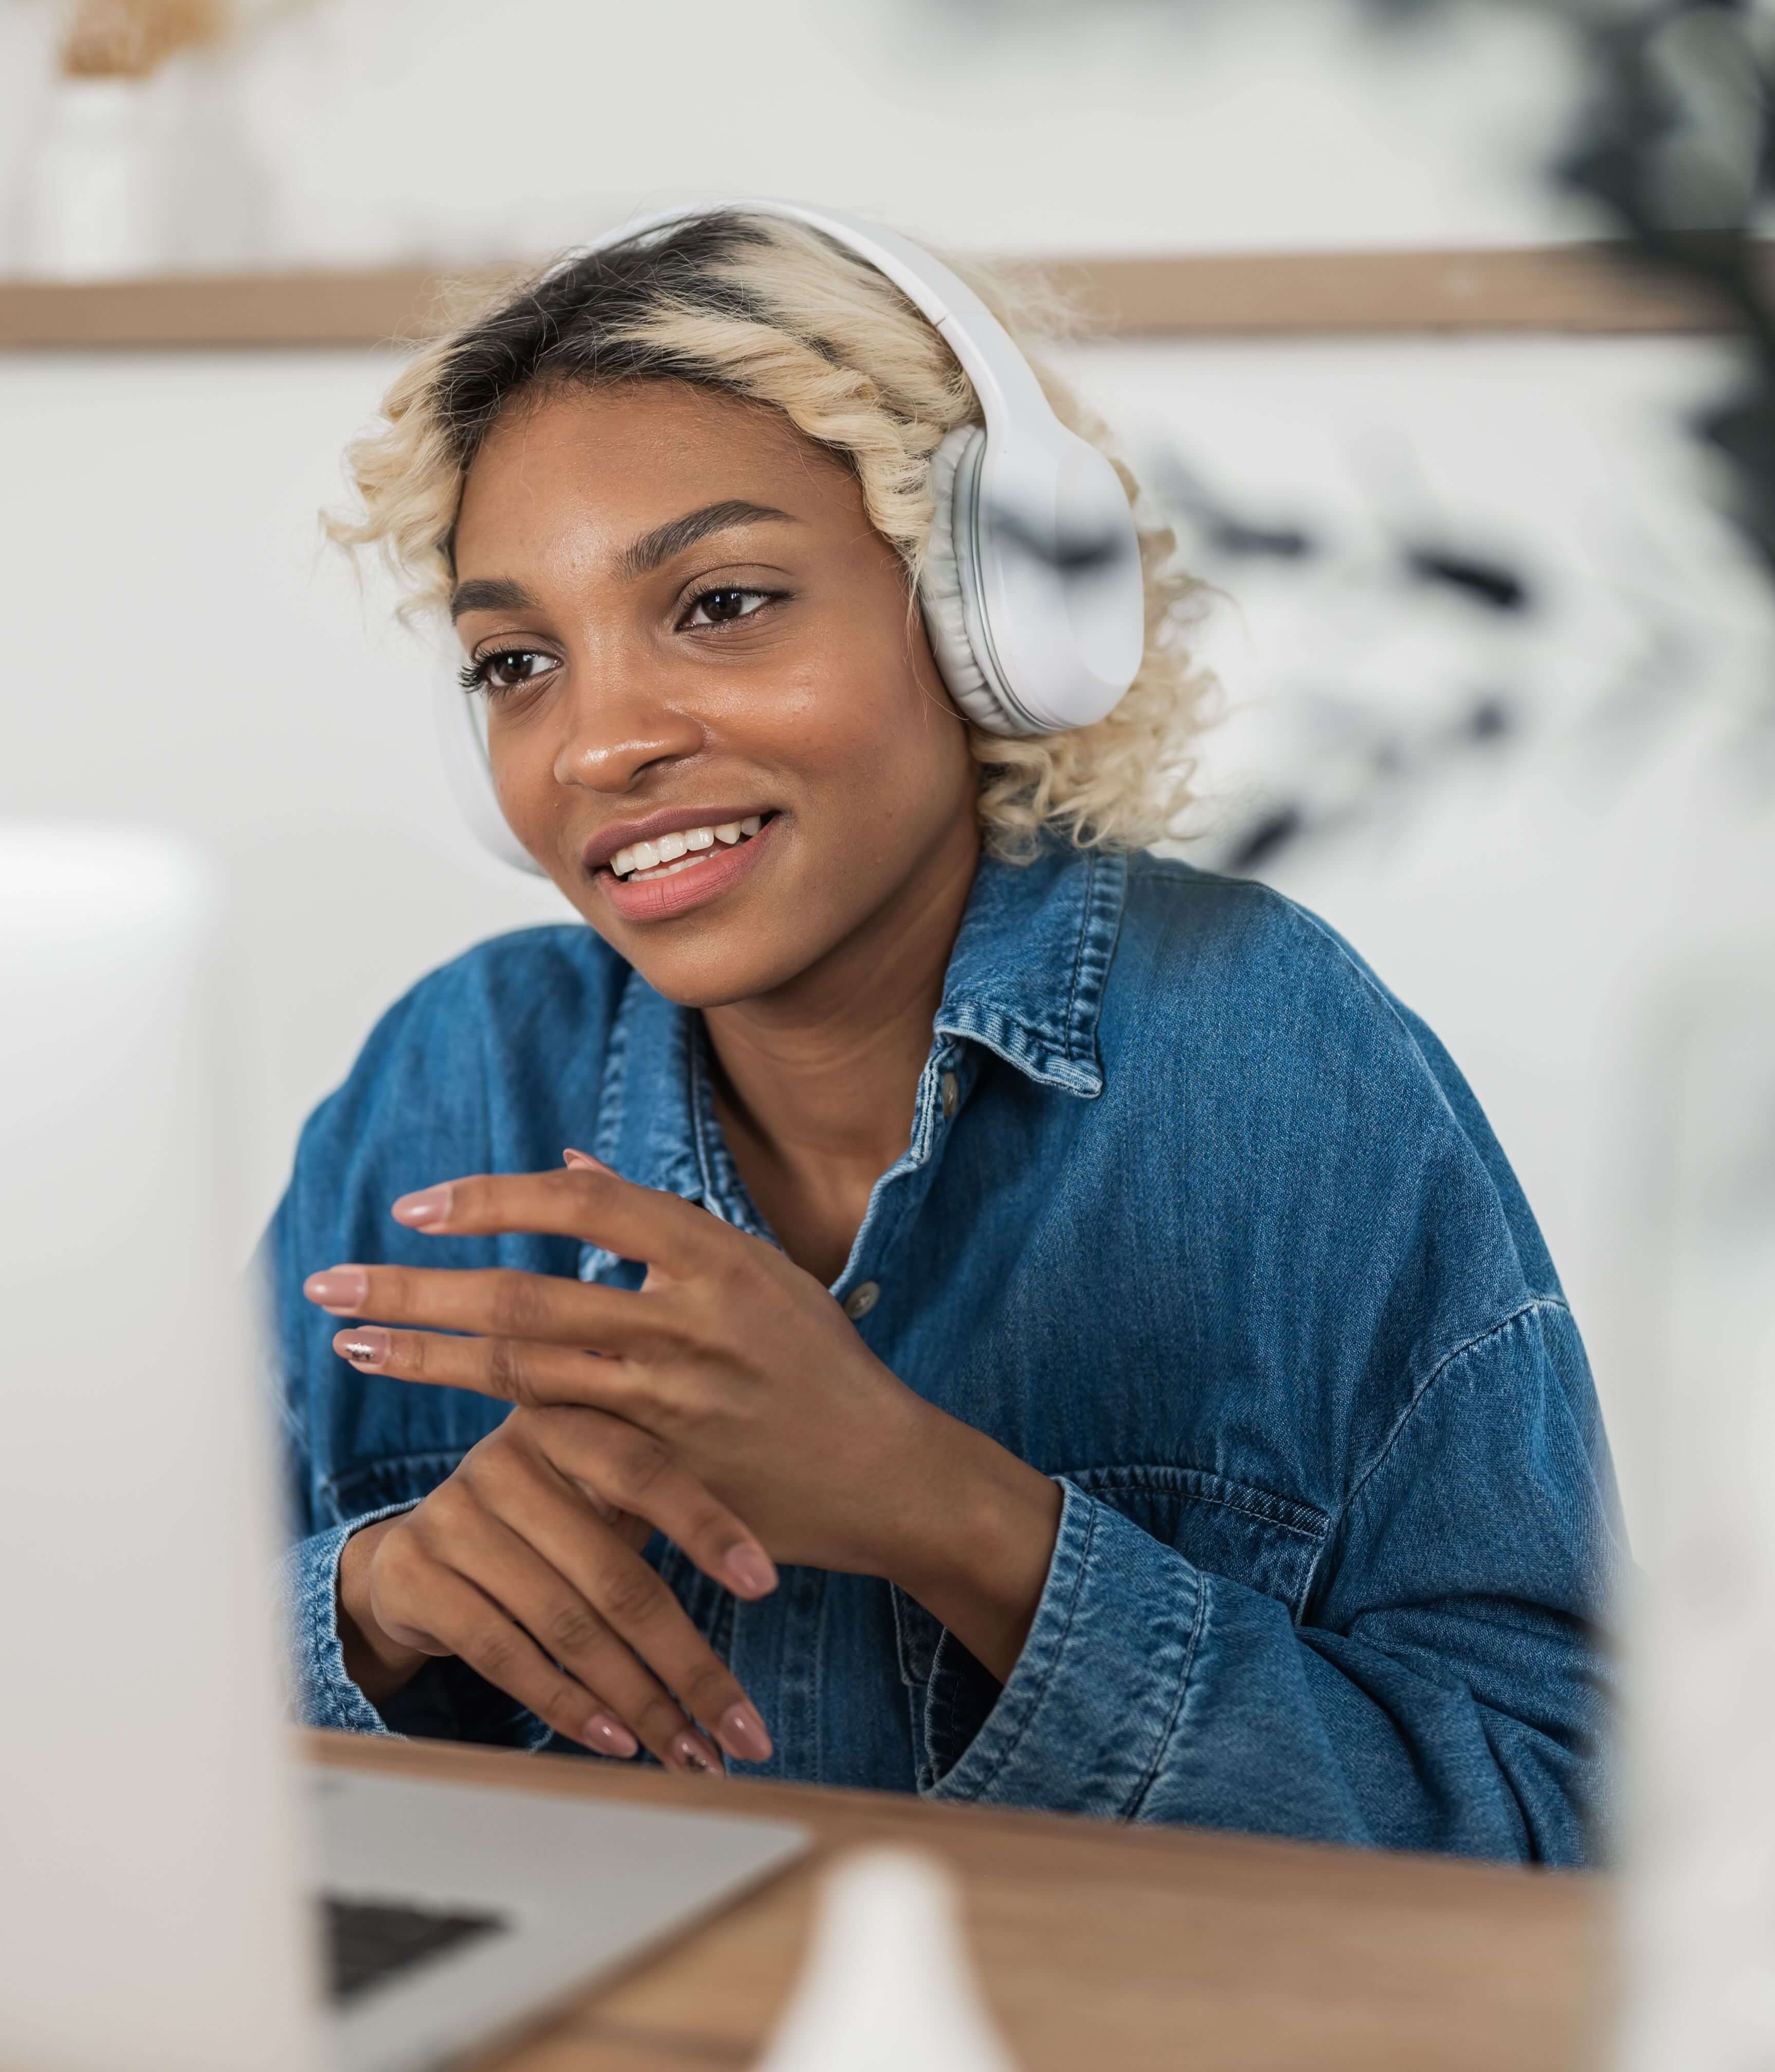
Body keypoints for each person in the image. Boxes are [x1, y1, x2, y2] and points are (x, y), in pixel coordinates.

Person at [264, 206, 1621, 1857]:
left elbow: (1559, 1829)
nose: (597, 744)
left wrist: (957, 1520)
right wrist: (378, 1608)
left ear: (986, 614)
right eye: (518, 661)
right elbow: (102, 1685)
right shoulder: (451, 1079)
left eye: (722, 603)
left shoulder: (1273, 1059)